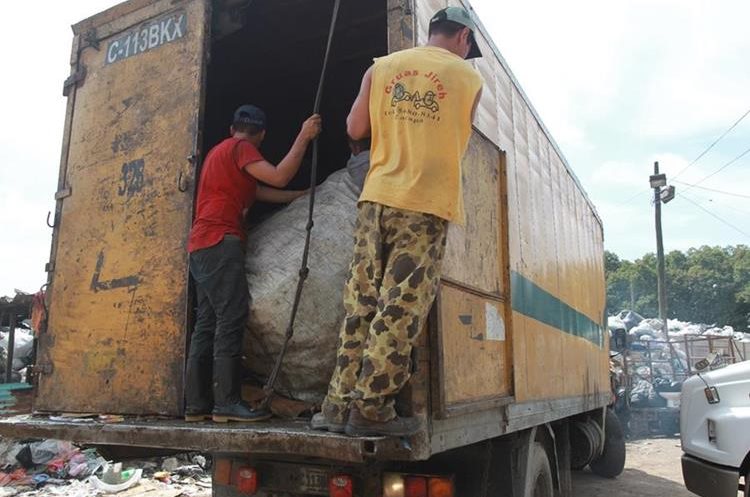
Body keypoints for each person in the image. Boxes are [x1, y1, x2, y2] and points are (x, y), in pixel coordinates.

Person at [313, 7, 484, 437]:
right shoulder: (469, 80)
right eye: (468, 46)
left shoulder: (382, 68)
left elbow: (354, 128)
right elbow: (459, 138)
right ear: (463, 36)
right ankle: (370, 409)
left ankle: (336, 407)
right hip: (424, 205)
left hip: (376, 198)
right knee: (400, 308)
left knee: (361, 304)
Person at [185, 105, 321, 423]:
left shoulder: (221, 154)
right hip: (221, 242)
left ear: (233, 128)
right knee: (232, 318)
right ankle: (227, 403)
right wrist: (303, 137)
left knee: (206, 323)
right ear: (260, 136)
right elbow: (279, 175)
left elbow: (262, 190)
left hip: (201, 246)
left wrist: (299, 195)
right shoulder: (241, 148)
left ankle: (197, 404)